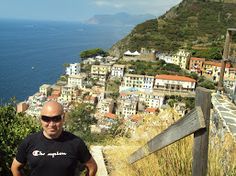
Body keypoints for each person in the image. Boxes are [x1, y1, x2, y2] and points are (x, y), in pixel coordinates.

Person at [11, 101, 97, 176]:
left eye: (56, 119)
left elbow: (92, 167)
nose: (51, 124)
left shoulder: (75, 143)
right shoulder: (29, 141)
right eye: (46, 119)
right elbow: (15, 168)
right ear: (41, 120)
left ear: (63, 118)